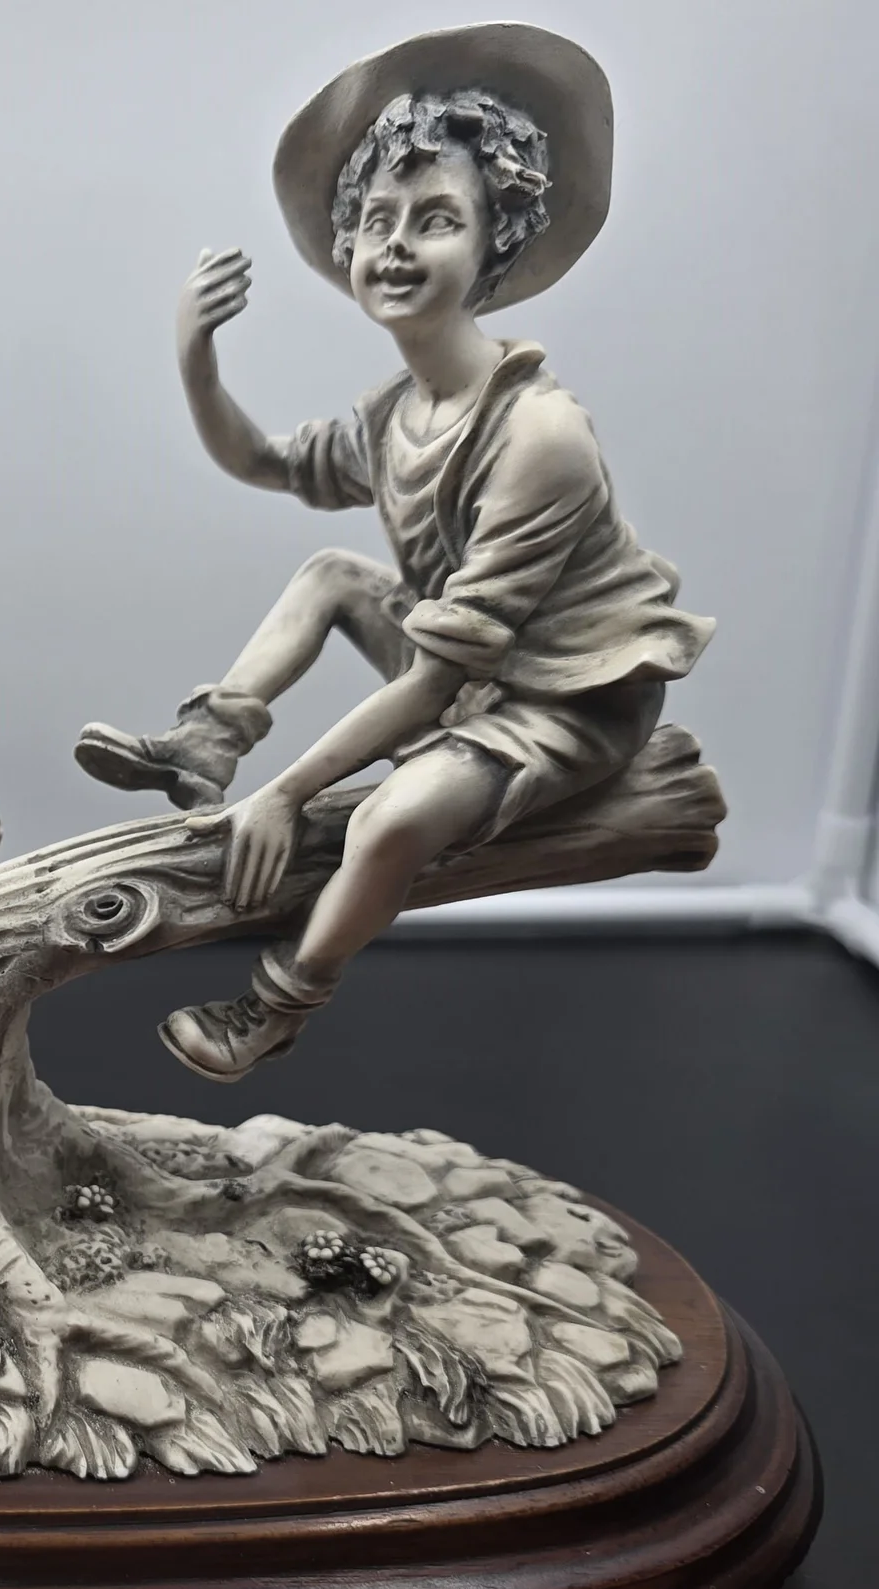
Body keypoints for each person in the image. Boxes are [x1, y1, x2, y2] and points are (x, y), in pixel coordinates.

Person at [74, 25, 712, 1082]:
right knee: (330, 573)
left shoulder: (538, 435)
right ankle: (207, 742)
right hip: (469, 672)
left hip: (564, 700)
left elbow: (435, 682)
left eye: (437, 219)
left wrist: (288, 794)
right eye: (378, 220)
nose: (398, 246)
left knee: (387, 817)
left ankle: (276, 1004)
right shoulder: (394, 415)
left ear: (497, 243)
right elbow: (265, 461)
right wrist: (196, 359)